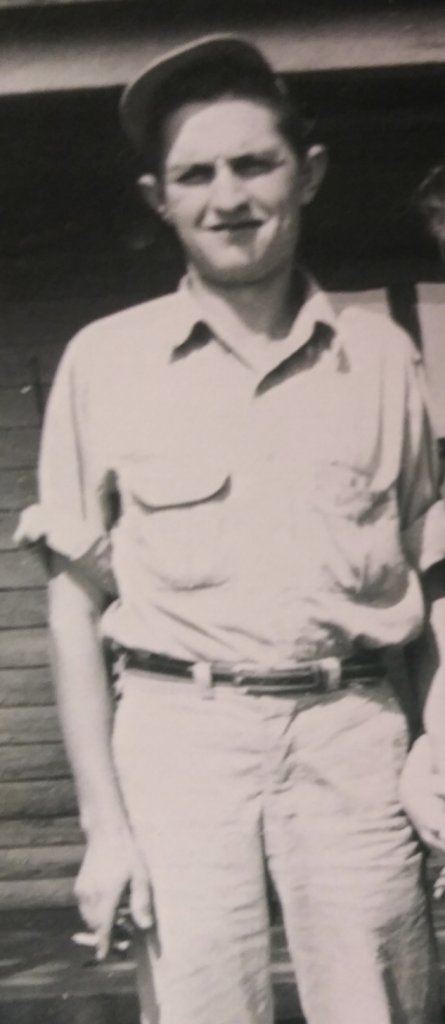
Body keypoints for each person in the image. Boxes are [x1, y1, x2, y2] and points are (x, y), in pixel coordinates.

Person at [13, 34, 445, 1024]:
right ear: (158, 198)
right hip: (178, 739)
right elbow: (74, 610)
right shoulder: (103, 362)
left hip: (353, 733)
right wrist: (104, 828)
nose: (228, 197)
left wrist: (437, 741)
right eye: (194, 175)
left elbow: (428, 577)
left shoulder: (384, 359)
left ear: (308, 173)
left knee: (381, 1006)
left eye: (255, 164)